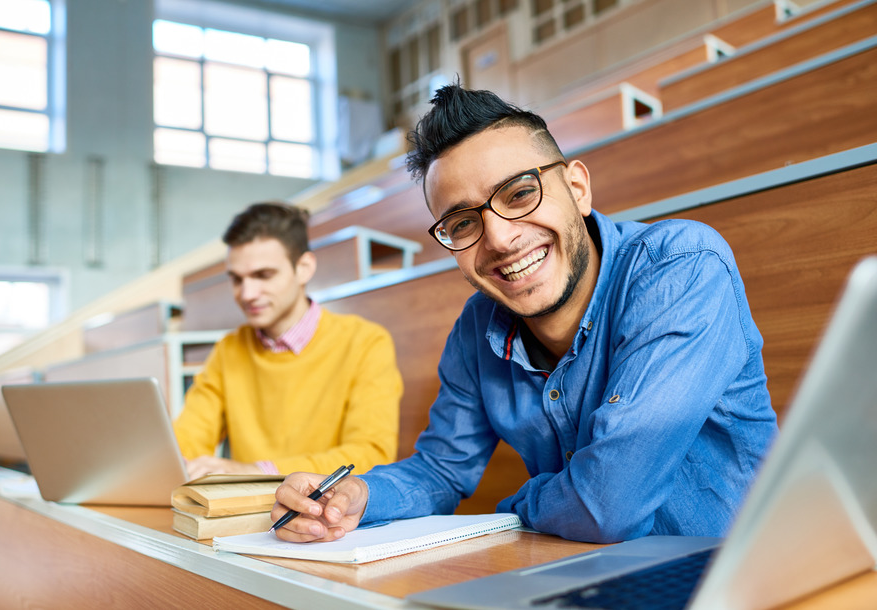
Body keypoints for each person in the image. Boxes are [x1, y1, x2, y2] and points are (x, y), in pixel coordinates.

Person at [271, 84, 778, 544]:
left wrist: (517, 507)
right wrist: (357, 494)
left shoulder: (681, 268)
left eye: (519, 193)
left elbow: (607, 506)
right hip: (587, 582)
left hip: (746, 580)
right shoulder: (476, 329)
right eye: (463, 222)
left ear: (577, 188)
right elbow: (443, 471)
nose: (499, 239)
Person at [173, 202, 403, 479]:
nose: (247, 294)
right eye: (236, 279)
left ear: (303, 268)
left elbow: (370, 454)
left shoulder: (365, 342)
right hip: (247, 514)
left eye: (263, 275)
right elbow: (187, 440)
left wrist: (255, 471)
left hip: (324, 513)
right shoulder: (228, 349)